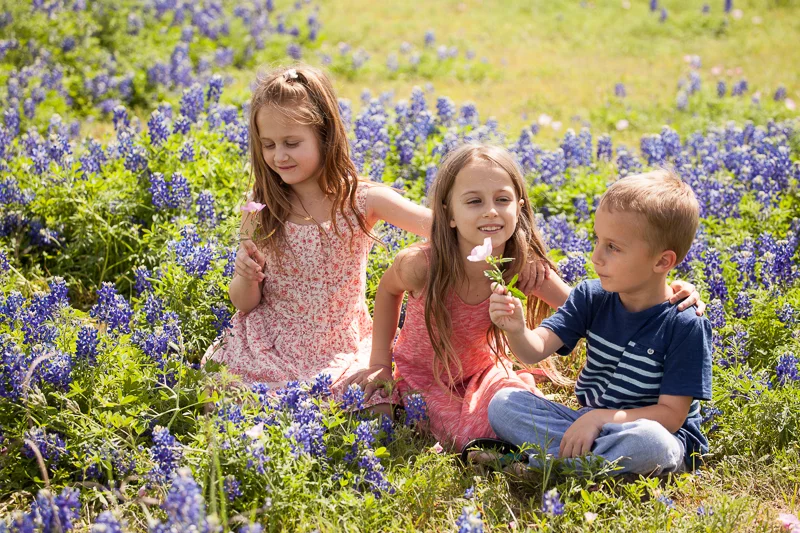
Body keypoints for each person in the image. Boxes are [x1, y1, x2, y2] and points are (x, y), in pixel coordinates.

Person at [346, 146, 705, 449]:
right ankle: (583, 451)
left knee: (496, 416)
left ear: (518, 207)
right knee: (393, 417)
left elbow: (590, 310)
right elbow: (388, 290)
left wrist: (667, 292)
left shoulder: (521, 266)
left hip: (483, 376)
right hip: (424, 376)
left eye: (502, 199)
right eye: (474, 201)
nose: (491, 210)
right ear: (448, 213)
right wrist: (380, 361)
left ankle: (566, 453)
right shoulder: (422, 265)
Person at [203, 65, 432, 408]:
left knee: (378, 406)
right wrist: (245, 276)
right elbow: (244, 303)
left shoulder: (361, 201)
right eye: (268, 145)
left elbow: (439, 226)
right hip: (271, 342)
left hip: (340, 345)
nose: (279, 155)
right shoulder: (259, 206)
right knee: (219, 394)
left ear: (325, 135)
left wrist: (488, 224)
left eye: (292, 143)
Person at [487, 169, 713, 474]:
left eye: (613, 247)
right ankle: (584, 463)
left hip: (655, 433)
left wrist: (598, 419)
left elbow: (671, 417)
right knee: (503, 404)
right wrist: (517, 329)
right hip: (589, 423)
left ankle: (544, 467)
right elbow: (533, 350)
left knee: (651, 444)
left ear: (662, 261)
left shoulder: (685, 324)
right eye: (598, 240)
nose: (596, 257)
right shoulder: (591, 296)